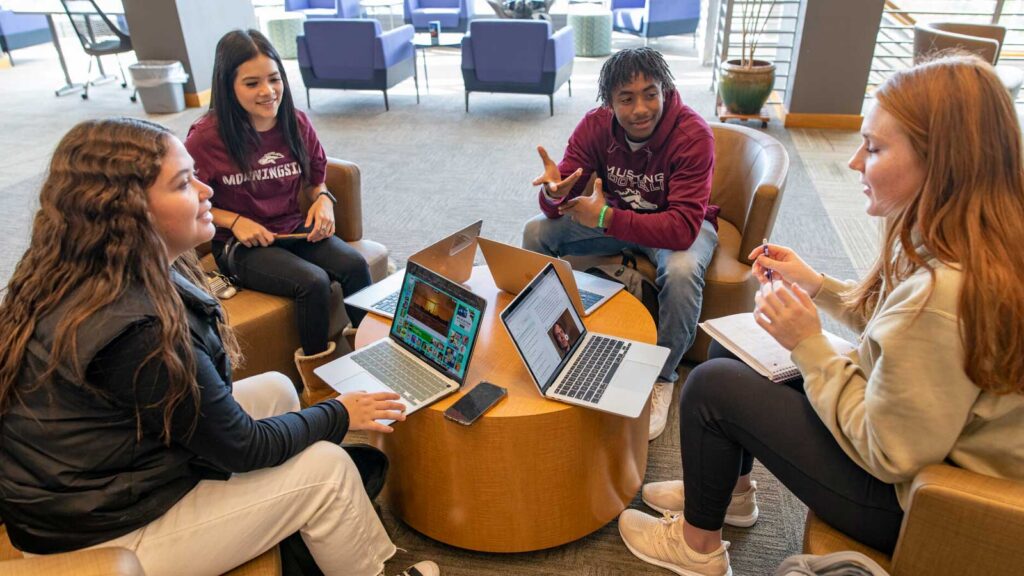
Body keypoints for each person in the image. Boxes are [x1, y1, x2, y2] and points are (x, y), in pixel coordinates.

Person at [618, 54, 1024, 575]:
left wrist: (807, 343)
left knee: (711, 386)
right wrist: (819, 287)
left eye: (874, 148)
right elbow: (898, 330)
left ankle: (698, 548)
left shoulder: (943, 295)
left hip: (922, 502)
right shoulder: (972, 239)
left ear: (941, 160)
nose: (854, 162)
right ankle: (727, 495)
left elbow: (887, 453)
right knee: (734, 341)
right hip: (925, 452)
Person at [0, 118, 438, 576]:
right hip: (107, 530)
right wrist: (342, 413)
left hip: (106, 483)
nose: (208, 191)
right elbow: (243, 447)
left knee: (276, 389)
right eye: (185, 183)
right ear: (128, 211)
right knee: (327, 470)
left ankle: (302, 538)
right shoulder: (134, 333)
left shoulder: (103, 270)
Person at [522, 47, 718, 440]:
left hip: (678, 223)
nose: (641, 108)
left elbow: (681, 229)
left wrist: (607, 218)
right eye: (626, 99)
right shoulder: (595, 127)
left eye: (650, 93)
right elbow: (561, 195)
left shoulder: (693, 135)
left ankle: (663, 377)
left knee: (681, 271)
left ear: (665, 89)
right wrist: (554, 194)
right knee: (536, 233)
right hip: (614, 218)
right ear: (609, 104)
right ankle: (548, 334)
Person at [184, 29, 371, 403]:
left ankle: (370, 356)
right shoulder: (206, 137)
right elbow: (188, 196)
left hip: (291, 229)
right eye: (252, 83)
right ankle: (316, 386)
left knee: (354, 264)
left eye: (274, 79)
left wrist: (323, 201)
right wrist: (234, 221)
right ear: (228, 85)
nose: (268, 91)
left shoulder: (295, 122)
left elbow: (316, 178)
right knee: (313, 282)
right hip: (240, 245)